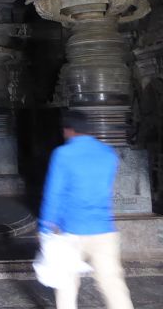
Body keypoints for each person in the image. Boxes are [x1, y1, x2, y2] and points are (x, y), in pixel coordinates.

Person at [39, 110, 134, 309]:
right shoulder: (108, 153)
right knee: (112, 284)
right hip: (104, 229)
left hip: (71, 231)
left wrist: (45, 227)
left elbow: (54, 194)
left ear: (69, 130)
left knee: (66, 285)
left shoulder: (63, 154)